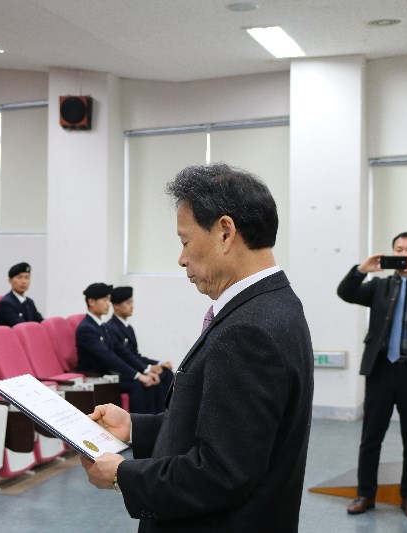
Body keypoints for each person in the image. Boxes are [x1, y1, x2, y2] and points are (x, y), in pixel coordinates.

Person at [80, 163, 313, 533]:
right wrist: (135, 427)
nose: (181, 258)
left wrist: (123, 474)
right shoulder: (275, 304)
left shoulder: (248, 330)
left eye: (185, 241)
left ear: (225, 232)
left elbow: (221, 473)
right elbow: (223, 427)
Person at [337, 231, 407, 519]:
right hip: (381, 370)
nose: (404, 254)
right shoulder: (380, 286)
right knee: (371, 437)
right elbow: (345, 292)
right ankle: (365, 494)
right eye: (399, 249)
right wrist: (362, 269)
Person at [75, 282, 161, 415]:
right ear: (91, 302)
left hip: (109, 374)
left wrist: (144, 371)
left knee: (148, 381)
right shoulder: (87, 328)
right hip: (95, 376)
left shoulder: (102, 327)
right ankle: (138, 424)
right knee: (138, 384)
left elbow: (121, 351)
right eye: (105, 300)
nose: (108, 304)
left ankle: (155, 420)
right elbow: (108, 356)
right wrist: (137, 375)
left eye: (108, 300)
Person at [106, 286, 173, 411]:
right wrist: (147, 369)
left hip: (135, 368)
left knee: (166, 373)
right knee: (147, 381)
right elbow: (124, 356)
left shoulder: (128, 328)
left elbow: (135, 355)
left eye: (132, 302)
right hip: (122, 372)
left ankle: (166, 413)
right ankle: (147, 419)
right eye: (127, 303)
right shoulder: (110, 328)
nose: (131, 306)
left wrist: (158, 363)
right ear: (116, 305)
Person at [0, 262, 44, 326]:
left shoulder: (29, 302)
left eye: (27, 277)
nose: (23, 281)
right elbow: (21, 327)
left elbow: (40, 321)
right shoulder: (6, 303)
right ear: (10, 281)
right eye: (19, 277)